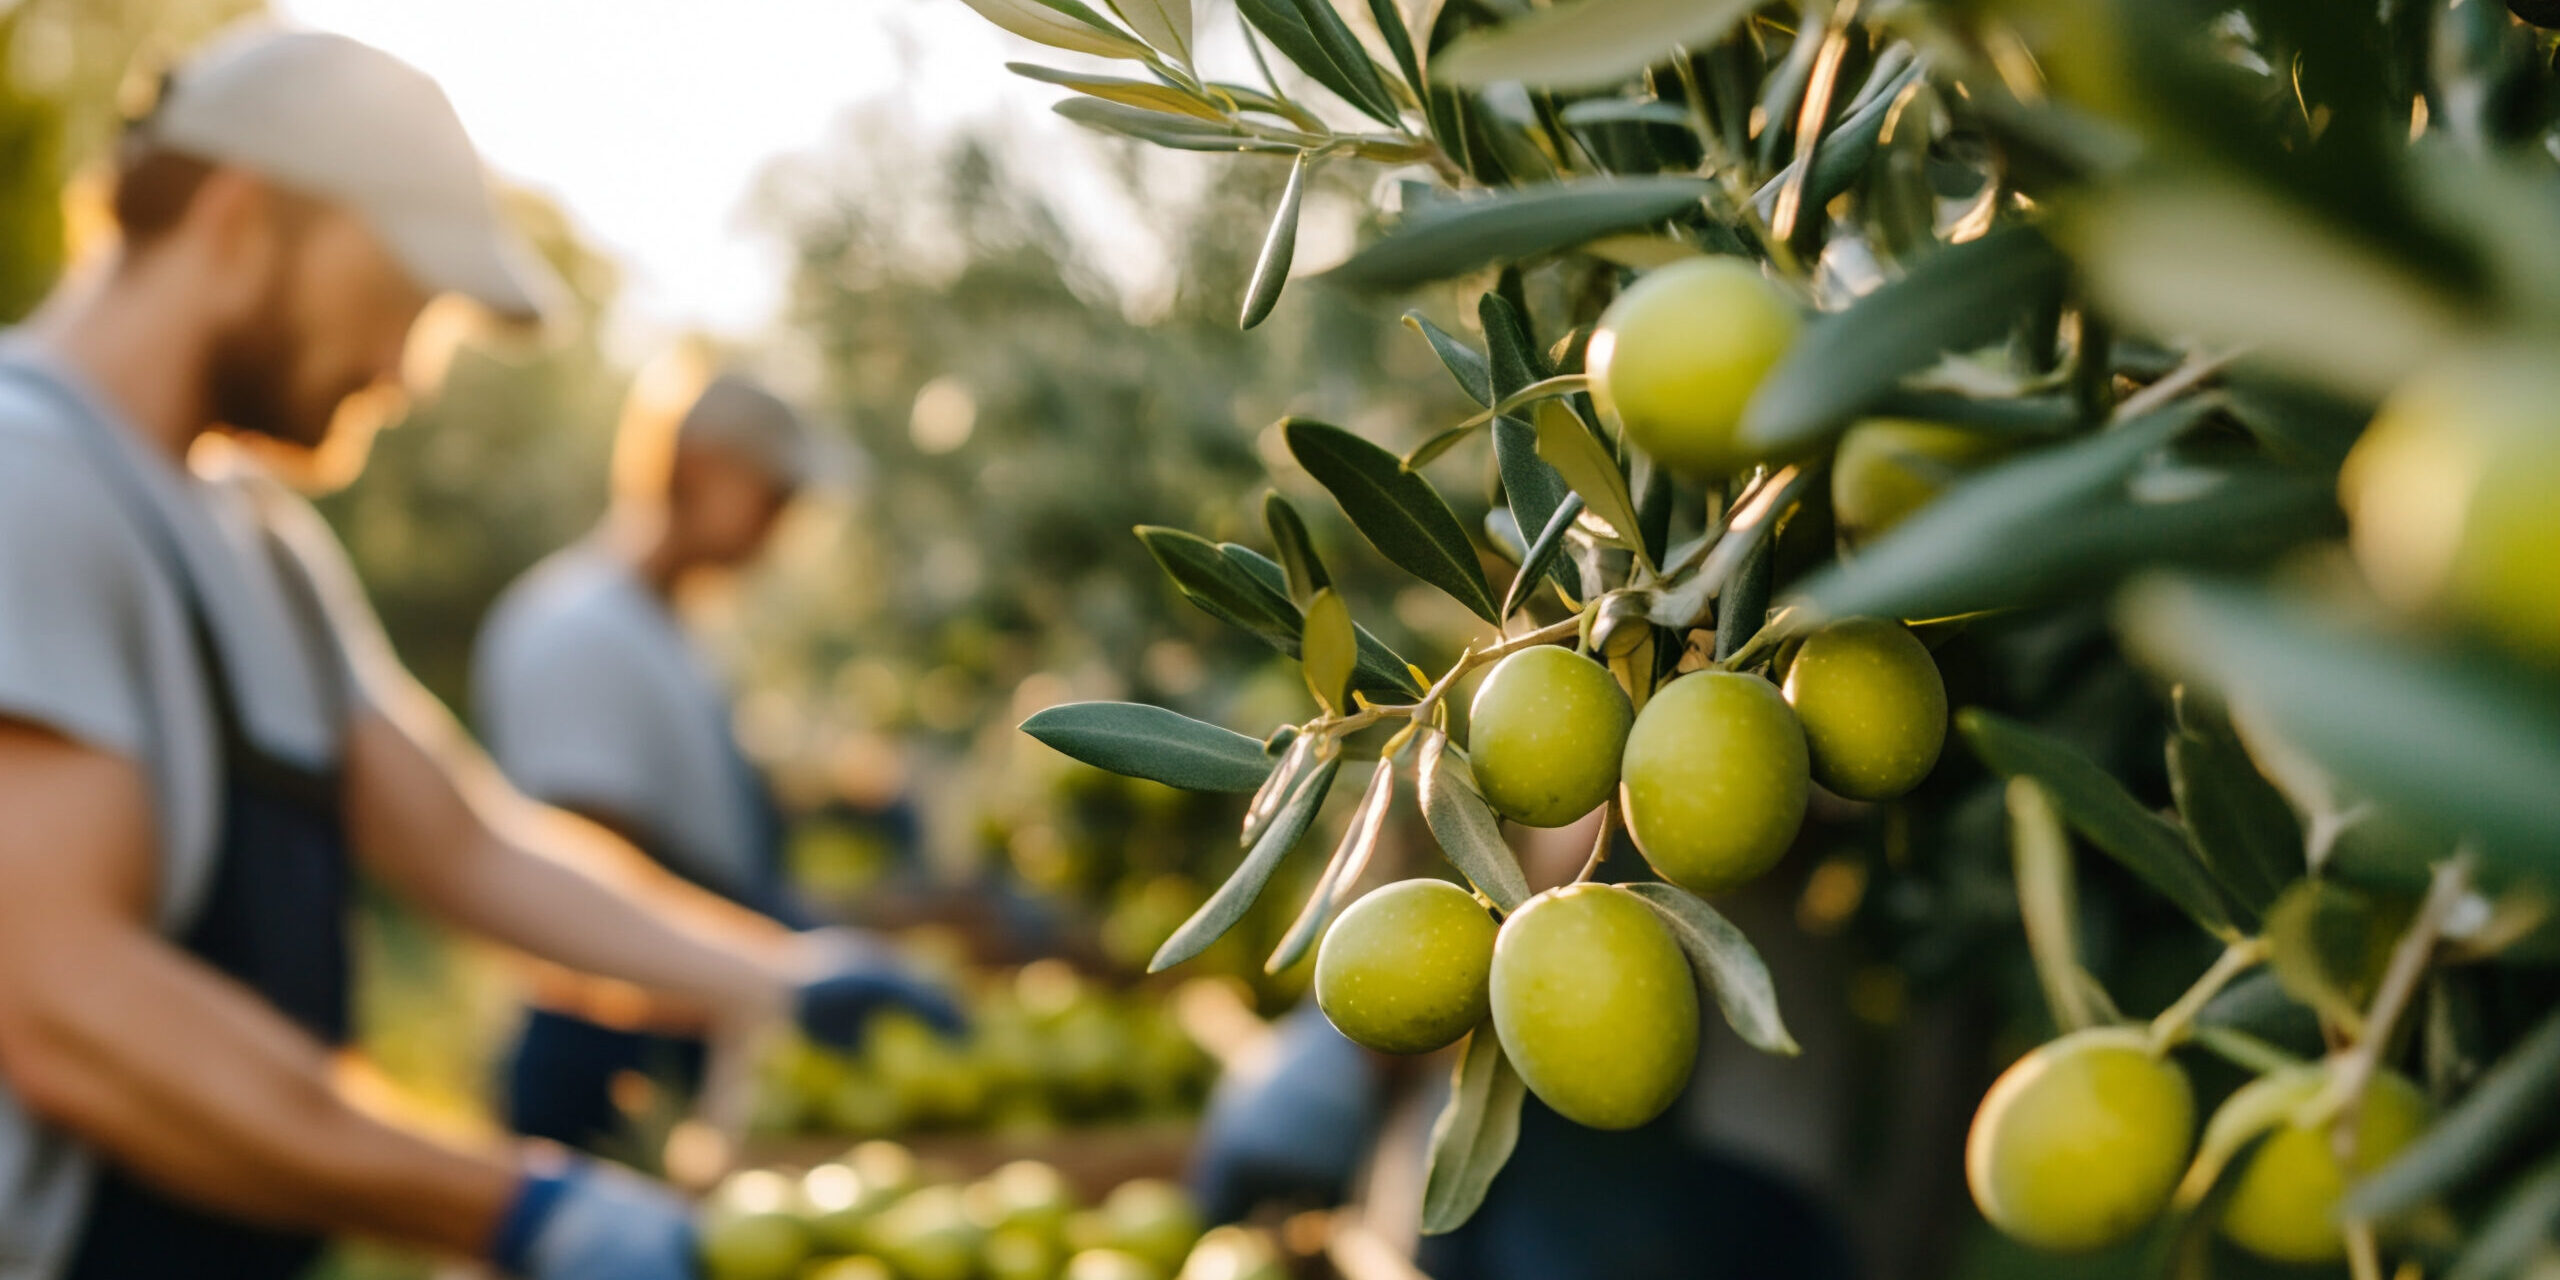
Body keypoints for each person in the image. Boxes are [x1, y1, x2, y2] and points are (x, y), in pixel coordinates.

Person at [0, 23, 957, 1280]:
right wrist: (510, 1207)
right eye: (396, 300)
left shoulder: (256, 541)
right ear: (241, 219)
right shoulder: (28, 478)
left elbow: (464, 843)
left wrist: (779, 978)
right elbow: (64, 1003)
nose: (401, 370)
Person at [474, 365, 826, 1153]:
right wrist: (789, 945)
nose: (784, 526)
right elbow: (592, 853)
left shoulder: (666, 635)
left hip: (667, 1024)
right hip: (599, 1051)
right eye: (775, 498)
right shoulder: (581, 629)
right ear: (697, 471)